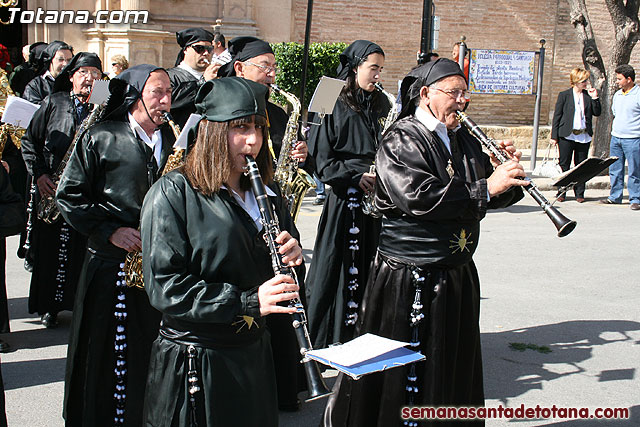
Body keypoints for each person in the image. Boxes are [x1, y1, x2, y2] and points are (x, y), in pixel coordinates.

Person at [322, 58, 526, 426]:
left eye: (466, 94)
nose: (462, 102)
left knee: (450, 366)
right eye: (455, 93)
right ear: (426, 93)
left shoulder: (461, 135)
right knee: (402, 372)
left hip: (455, 273)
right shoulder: (403, 137)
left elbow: (483, 195)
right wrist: (486, 186)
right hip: (409, 278)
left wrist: (506, 178)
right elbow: (419, 196)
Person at [141, 76, 302, 427]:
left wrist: (295, 257)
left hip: (253, 353)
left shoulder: (267, 193)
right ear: (213, 131)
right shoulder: (172, 193)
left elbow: (280, 275)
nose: (254, 140)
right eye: (240, 128)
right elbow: (164, 287)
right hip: (198, 359)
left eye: (259, 127)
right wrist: (246, 302)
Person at [56, 64, 175, 426]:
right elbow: (70, 196)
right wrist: (110, 230)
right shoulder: (101, 137)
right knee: (105, 354)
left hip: (159, 267)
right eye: (157, 92)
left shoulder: (172, 142)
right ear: (136, 94)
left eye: (169, 92)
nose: (166, 101)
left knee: (150, 352)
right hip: (112, 267)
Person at [305, 40, 390, 350]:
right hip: (344, 198)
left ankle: (363, 334)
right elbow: (319, 155)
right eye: (373, 68)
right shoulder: (327, 92)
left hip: (374, 199)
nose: (378, 75)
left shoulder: (381, 102)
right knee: (332, 268)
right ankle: (323, 338)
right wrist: (354, 177)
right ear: (355, 67)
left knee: (371, 267)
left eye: (381, 69)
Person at [20, 52, 102, 328]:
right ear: (70, 77)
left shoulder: (103, 104)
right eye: (83, 72)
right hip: (53, 187)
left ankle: (82, 308)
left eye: (95, 73)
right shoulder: (54, 102)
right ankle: (50, 308)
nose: (89, 78)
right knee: (51, 251)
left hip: (88, 192)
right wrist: (40, 174)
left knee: (84, 253)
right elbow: (29, 142)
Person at [550, 67, 601, 202]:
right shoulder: (564, 95)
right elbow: (557, 116)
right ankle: (562, 192)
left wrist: (595, 98)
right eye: (583, 81)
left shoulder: (587, 96)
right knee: (564, 164)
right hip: (566, 135)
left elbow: (597, 112)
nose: (586, 83)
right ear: (576, 81)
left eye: (586, 80)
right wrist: (554, 136)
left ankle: (579, 193)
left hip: (583, 135)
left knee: (581, 165)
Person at [601, 64, 640, 210]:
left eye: (619, 79)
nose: (617, 81)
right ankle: (614, 196)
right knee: (615, 169)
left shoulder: (638, 94)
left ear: (629, 79)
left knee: (634, 170)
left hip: (634, 139)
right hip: (616, 138)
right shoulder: (617, 95)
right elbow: (615, 113)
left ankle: (635, 198)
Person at [167, 27, 220, 127]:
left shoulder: (215, 76)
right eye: (199, 49)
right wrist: (203, 82)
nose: (206, 53)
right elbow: (171, 101)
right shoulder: (170, 76)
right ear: (186, 50)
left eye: (209, 49)